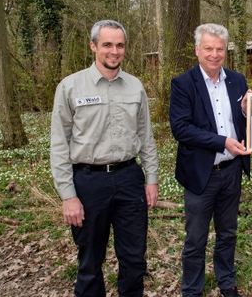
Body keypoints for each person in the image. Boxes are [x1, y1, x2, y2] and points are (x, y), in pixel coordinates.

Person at [50, 20, 159, 297]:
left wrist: (152, 179)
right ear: (93, 46)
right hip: (88, 182)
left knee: (134, 259)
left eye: (120, 45)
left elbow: (146, 137)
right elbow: (59, 144)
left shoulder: (135, 87)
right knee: (89, 261)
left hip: (129, 179)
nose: (114, 51)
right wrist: (68, 195)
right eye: (107, 44)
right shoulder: (70, 87)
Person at [169, 23, 252, 297]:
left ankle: (226, 281)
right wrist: (221, 141)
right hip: (200, 174)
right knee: (195, 239)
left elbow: (241, 123)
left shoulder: (238, 80)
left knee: (228, 233)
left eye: (220, 49)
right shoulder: (183, 83)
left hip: (231, 171)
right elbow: (180, 128)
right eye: (209, 48)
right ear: (197, 50)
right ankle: (192, 289)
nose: (215, 54)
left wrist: (245, 112)